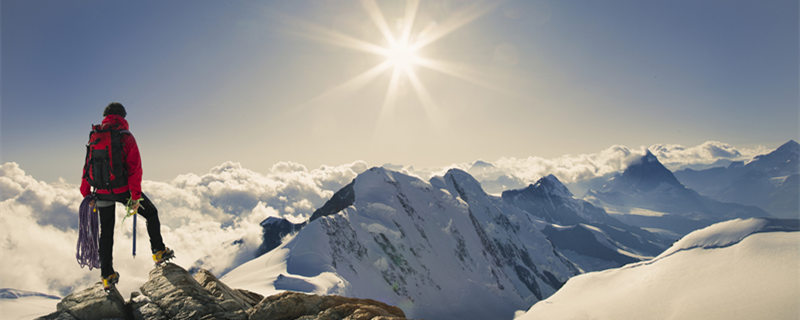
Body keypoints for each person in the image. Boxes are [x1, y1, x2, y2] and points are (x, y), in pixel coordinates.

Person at [80, 102, 173, 290]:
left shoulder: (95, 136)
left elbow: (87, 166)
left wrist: (86, 194)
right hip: (123, 190)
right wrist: (135, 198)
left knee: (105, 233)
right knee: (152, 214)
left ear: (105, 116)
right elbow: (135, 170)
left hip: (101, 192)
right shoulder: (126, 137)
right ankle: (158, 251)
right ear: (123, 117)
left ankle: (107, 275)